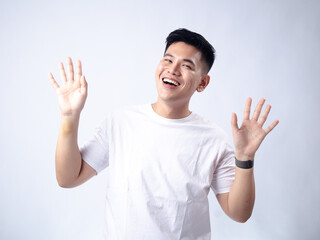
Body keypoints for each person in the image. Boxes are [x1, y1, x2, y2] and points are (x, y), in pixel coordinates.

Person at [49, 28, 279, 239]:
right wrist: (69, 117)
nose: (173, 69)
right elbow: (68, 178)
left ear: (203, 83)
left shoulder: (214, 139)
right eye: (168, 59)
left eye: (187, 65)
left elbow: (239, 213)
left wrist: (245, 159)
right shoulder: (120, 122)